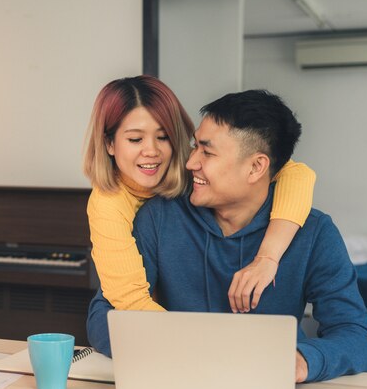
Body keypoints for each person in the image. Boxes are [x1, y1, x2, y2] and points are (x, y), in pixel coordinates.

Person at [87, 89, 367, 383]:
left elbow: (359, 338)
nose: (190, 163)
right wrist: (185, 351)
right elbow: (104, 315)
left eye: (207, 152)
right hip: (181, 381)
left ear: (256, 167)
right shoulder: (159, 217)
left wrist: (303, 361)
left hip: (270, 387)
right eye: (195, 147)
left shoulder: (315, 232)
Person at [83, 76, 315, 315]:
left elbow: (297, 174)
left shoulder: (192, 167)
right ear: (109, 143)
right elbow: (129, 301)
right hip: (160, 327)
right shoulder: (108, 204)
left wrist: (267, 257)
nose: (151, 151)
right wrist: (198, 345)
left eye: (163, 137)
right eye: (135, 139)